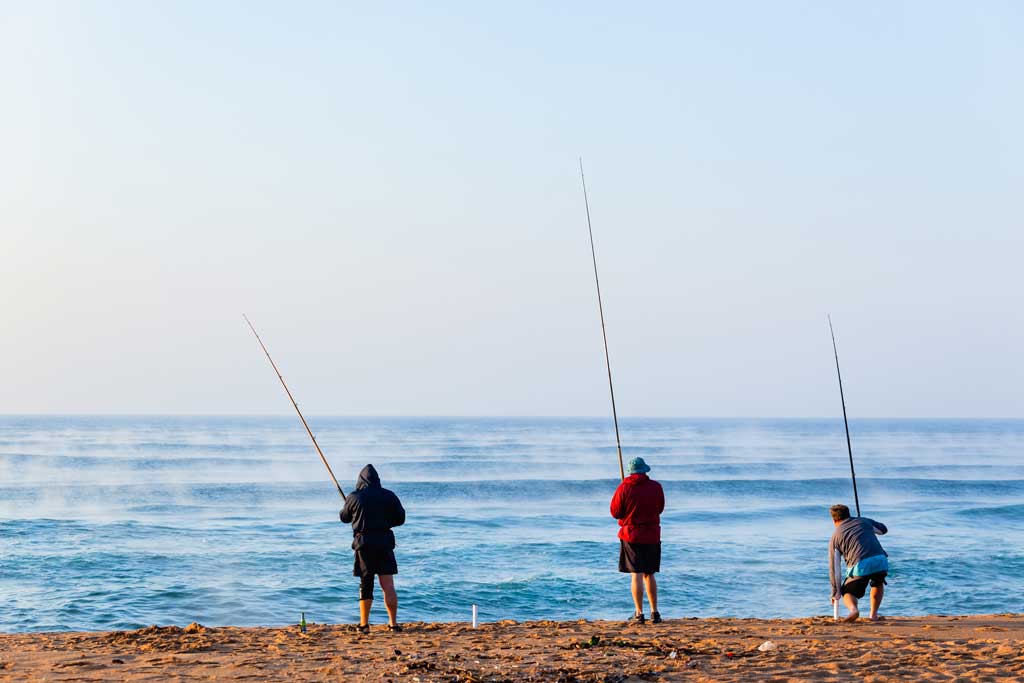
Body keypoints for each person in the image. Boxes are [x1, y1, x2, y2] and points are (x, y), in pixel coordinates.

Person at [340, 464, 406, 633]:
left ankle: (364, 625)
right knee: (388, 585)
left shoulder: (354, 497)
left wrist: (348, 505)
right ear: (377, 480)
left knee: (366, 584)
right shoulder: (389, 495)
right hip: (384, 542)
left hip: (364, 544)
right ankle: (393, 624)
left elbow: (344, 518)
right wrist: (384, 523)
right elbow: (400, 519)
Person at [610, 456, 665, 624]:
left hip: (631, 535)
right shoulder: (656, 487)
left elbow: (615, 512)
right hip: (652, 535)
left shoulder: (624, 487)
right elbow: (660, 508)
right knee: (650, 574)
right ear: (645, 471)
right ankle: (654, 612)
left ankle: (639, 613)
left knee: (636, 575)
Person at [828, 503, 888, 622]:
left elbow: (835, 568)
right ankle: (873, 615)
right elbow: (883, 529)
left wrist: (836, 591)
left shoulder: (835, 537)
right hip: (881, 560)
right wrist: (864, 521)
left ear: (834, 520)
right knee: (877, 583)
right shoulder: (864, 521)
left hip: (860, 565)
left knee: (848, 591)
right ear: (849, 514)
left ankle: (853, 610)